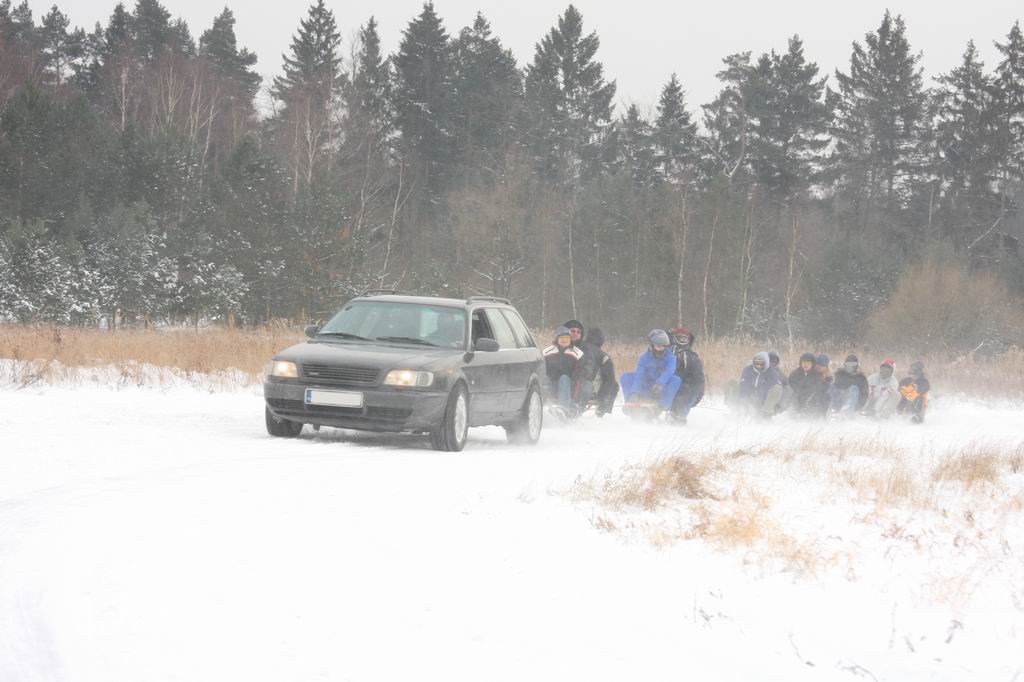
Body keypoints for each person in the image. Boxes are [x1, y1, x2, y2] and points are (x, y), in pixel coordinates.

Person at [563, 320, 619, 417]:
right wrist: (602, 400)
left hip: (569, 383)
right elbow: (610, 379)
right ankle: (601, 411)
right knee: (613, 385)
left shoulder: (576, 348)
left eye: (578, 332)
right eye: (573, 331)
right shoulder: (603, 356)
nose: (575, 333)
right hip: (589, 387)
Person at [620, 330, 681, 417]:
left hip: (660, 390)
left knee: (676, 379)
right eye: (658, 346)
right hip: (646, 388)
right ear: (652, 346)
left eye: (663, 347)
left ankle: (659, 407)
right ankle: (631, 404)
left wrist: (659, 384)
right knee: (626, 376)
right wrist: (634, 392)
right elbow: (639, 376)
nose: (660, 349)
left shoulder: (671, 358)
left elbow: (669, 371)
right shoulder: (645, 358)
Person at [542, 326, 584, 415]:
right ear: (557, 339)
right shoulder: (547, 352)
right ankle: (543, 409)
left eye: (567, 338)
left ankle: (564, 410)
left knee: (564, 378)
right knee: (544, 379)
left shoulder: (577, 354)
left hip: (570, 386)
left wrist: (576, 397)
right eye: (562, 338)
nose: (564, 340)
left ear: (570, 339)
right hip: (552, 383)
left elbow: (580, 374)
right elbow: (541, 370)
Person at [667, 326, 705, 423]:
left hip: (684, 389)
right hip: (666, 385)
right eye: (680, 337)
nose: (682, 340)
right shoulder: (666, 352)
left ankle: (679, 415)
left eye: (684, 338)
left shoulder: (692, 358)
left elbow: (699, 379)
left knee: (686, 389)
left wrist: (699, 394)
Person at [736, 351, 784, 418]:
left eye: (761, 364)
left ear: (766, 363)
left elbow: (767, 387)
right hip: (750, 396)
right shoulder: (747, 370)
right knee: (733, 384)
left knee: (777, 387)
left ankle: (766, 414)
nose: (759, 366)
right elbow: (744, 385)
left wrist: (757, 400)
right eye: (757, 363)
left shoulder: (772, 372)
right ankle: (738, 411)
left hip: (763, 399)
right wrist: (745, 400)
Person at [788, 352, 830, 417]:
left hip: (811, 399)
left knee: (825, 397)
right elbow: (791, 383)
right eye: (804, 363)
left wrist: (827, 382)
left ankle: (819, 415)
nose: (806, 365)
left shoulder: (818, 375)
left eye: (808, 363)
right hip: (798, 398)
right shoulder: (796, 373)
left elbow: (818, 389)